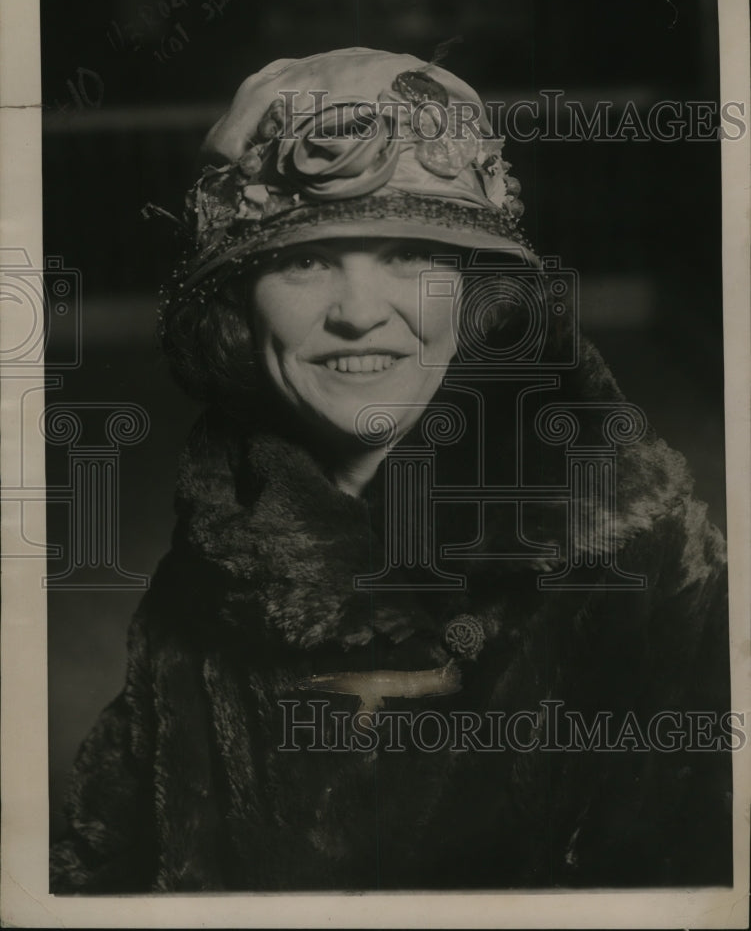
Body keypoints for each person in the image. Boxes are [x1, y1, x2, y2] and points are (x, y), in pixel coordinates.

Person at [50, 48, 732, 893]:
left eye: (409, 255)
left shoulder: (638, 560)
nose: (359, 313)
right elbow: (112, 860)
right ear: (237, 307)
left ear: (478, 292)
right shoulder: (218, 549)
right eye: (304, 261)